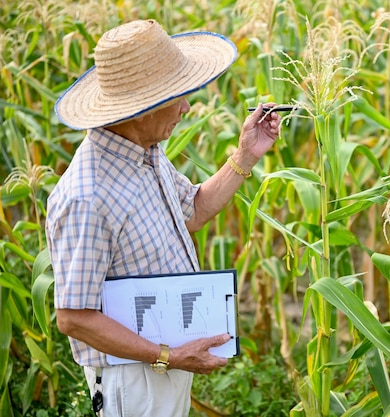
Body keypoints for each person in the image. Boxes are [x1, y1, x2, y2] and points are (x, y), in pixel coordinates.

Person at [45, 19, 280, 416]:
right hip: (134, 377)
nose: (187, 107)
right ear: (140, 109)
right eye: (177, 96)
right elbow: (73, 317)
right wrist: (166, 355)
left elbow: (191, 211)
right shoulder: (88, 196)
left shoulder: (145, 151)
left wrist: (246, 155)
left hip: (164, 360)